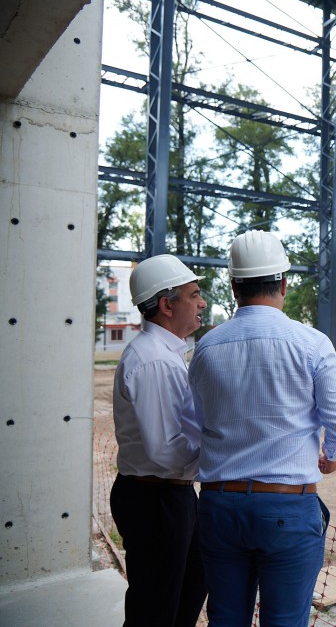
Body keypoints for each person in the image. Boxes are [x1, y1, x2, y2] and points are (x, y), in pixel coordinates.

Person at [189, 230, 336, 627]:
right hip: (286, 507)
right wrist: (331, 456)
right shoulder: (312, 344)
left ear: (233, 286)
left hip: (218, 507)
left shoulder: (207, 348)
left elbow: (196, 422)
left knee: (225, 619)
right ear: (284, 282)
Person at [110, 254, 208, 627]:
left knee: (183, 596)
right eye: (194, 295)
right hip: (157, 500)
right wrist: (223, 459)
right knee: (155, 610)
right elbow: (166, 452)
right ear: (167, 305)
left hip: (166, 496)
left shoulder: (163, 355)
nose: (202, 303)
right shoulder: (154, 362)